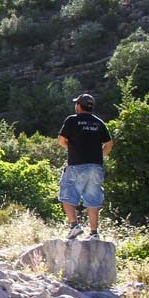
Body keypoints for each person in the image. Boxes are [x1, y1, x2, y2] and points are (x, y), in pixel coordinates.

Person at [58, 93, 113, 240]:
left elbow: (62, 140)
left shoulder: (72, 120)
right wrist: (100, 156)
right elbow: (109, 144)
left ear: (79, 106)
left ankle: (74, 226)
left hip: (76, 164)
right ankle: (94, 233)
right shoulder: (99, 123)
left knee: (67, 196)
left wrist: (71, 148)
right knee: (93, 200)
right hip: (95, 166)